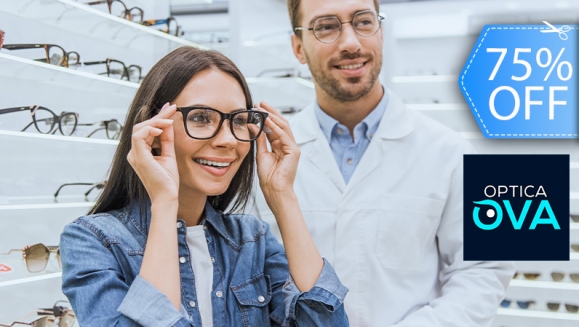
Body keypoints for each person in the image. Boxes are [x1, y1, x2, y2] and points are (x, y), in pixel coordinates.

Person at [252, 0, 516, 326]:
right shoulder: (263, 161)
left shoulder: (452, 151)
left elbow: (484, 269)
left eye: (363, 21)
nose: (350, 43)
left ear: (381, 30)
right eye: (326, 27)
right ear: (298, 47)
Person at [59, 46, 349, 327]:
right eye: (200, 118)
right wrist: (164, 204)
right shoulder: (92, 241)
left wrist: (282, 195)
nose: (228, 140)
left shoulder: (252, 239)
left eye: (238, 121)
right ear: (155, 130)